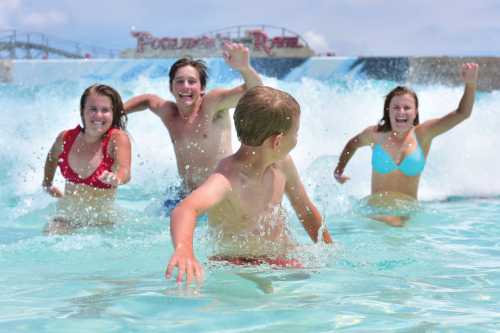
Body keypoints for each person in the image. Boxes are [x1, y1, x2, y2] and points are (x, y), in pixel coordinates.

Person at [165, 86, 333, 286]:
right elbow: (185, 209)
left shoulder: (283, 164)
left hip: (280, 260)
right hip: (237, 265)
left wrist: (329, 249)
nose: (297, 139)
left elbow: (305, 210)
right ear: (277, 141)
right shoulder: (227, 178)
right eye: (295, 132)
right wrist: (184, 251)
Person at [333, 63, 479, 226]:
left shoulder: (424, 134)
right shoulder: (375, 135)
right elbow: (352, 145)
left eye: (407, 107)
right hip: (374, 213)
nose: (401, 111)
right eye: (396, 107)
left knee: (397, 226)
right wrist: (339, 170)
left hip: (407, 215)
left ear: (415, 112)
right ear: (388, 111)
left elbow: (462, 113)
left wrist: (470, 84)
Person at [124, 42, 263, 209]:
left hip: (220, 195)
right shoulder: (170, 113)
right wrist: (117, 112)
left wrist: (244, 68)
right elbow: (147, 100)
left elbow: (256, 93)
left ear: (202, 88)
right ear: (171, 87)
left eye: (192, 81)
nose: (185, 87)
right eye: (180, 81)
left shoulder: (212, 104)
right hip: (186, 195)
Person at [42, 84, 132, 234]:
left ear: (113, 113)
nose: (98, 115)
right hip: (68, 217)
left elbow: (125, 170)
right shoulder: (66, 138)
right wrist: (47, 184)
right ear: (82, 111)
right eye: (93, 109)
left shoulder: (116, 139)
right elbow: (52, 159)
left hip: (102, 222)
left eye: (105, 110)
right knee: (50, 235)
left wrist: (116, 177)